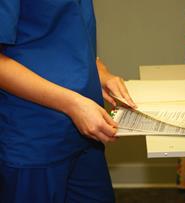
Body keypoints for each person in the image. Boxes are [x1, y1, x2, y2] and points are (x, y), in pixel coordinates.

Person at [0, 0, 136, 202]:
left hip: (83, 136)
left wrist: (101, 74)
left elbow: (67, 33)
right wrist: (72, 104)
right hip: (34, 139)